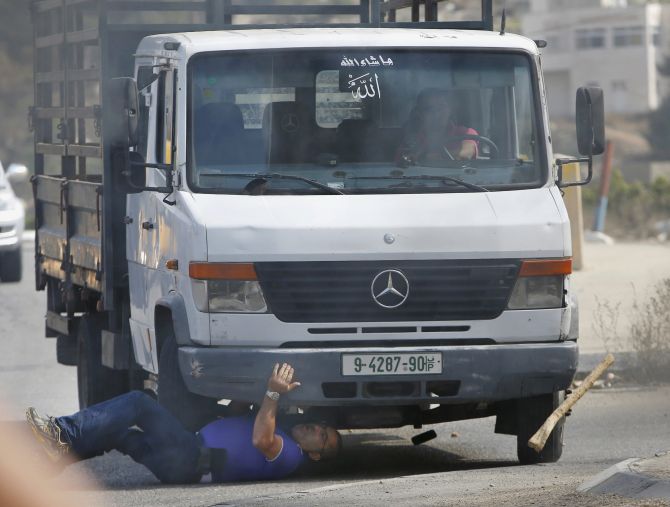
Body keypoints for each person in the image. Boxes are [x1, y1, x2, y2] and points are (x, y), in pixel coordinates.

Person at [26, 363, 342, 484]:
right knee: (119, 435)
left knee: (139, 403)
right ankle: (52, 460)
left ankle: (59, 433)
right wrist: (248, 391)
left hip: (191, 456)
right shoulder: (282, 429)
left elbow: (260, 439)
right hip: (183, 464)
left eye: (323, 439)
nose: (317, 430)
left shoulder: (290, 455)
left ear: (315, 454)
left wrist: (273, 391)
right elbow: (237, 416)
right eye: (321, 427)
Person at [397, 88, 479, 165]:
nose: (436, 114)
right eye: (429, 109)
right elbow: (402, 164)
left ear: (450, 110)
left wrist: (425, 157)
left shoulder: (465, 133)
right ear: (420, 113)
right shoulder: (411, 140)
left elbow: (465, 153)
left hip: (461, 180)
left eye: (441, 107)